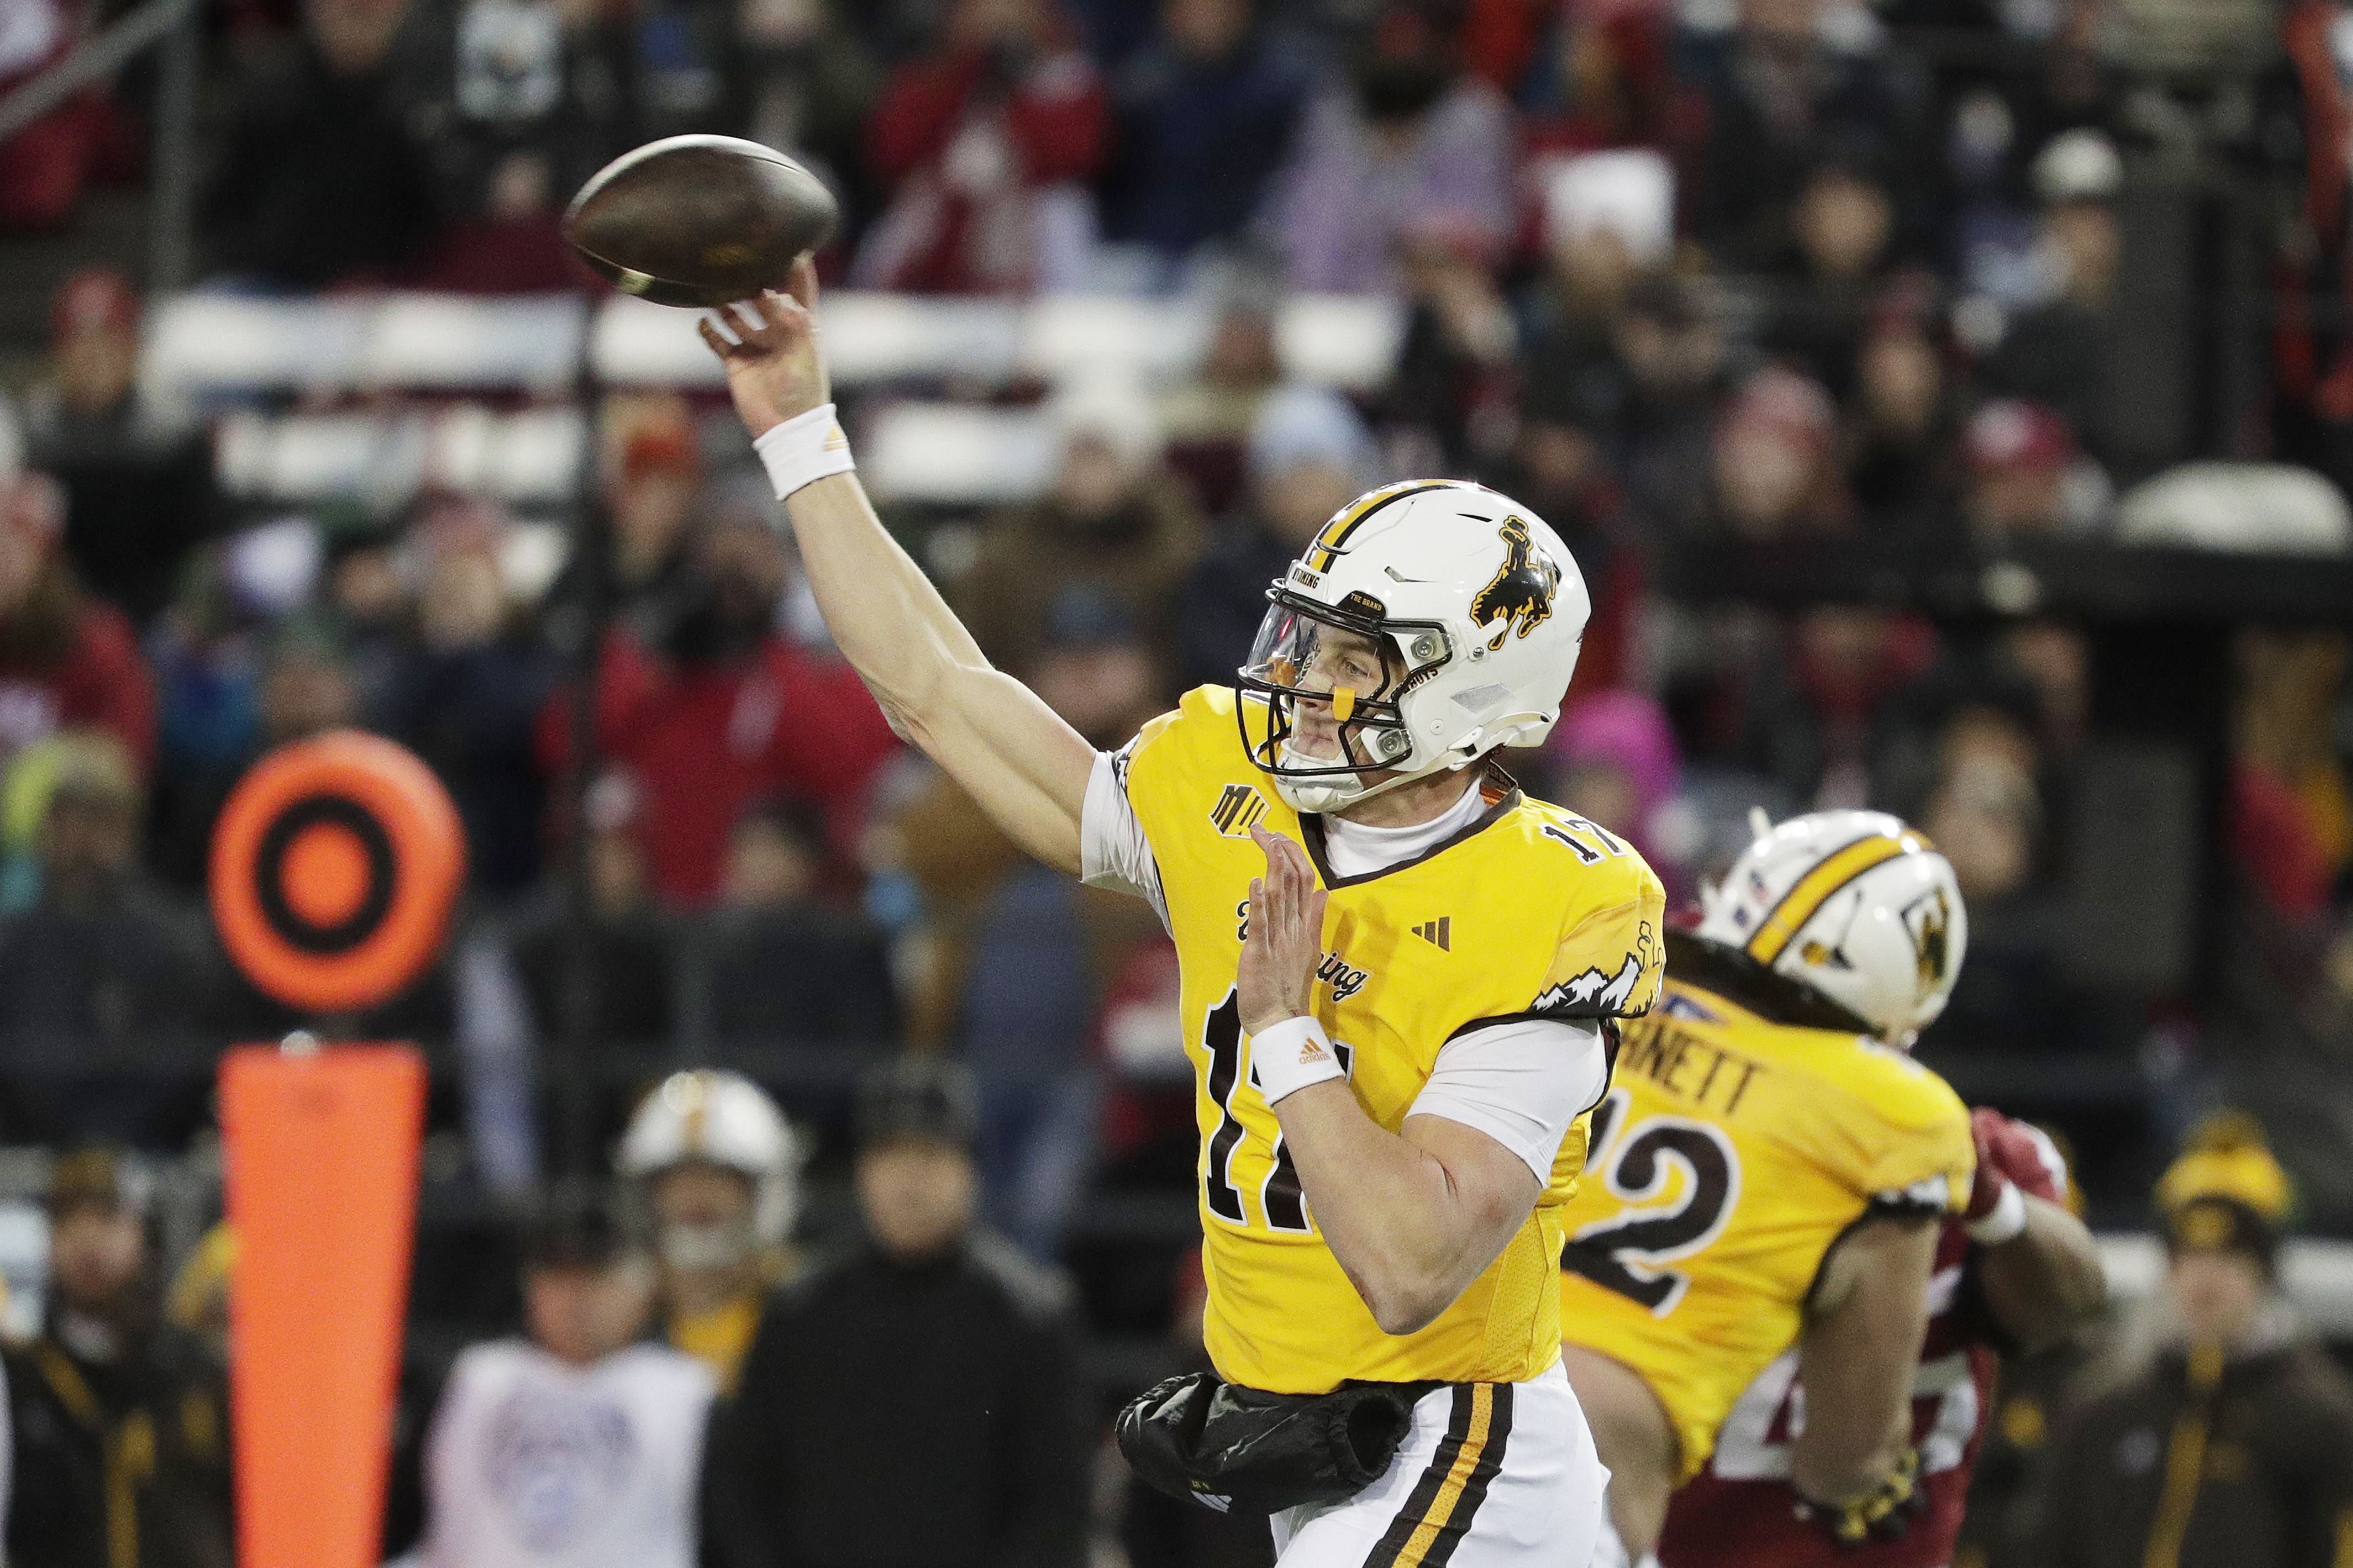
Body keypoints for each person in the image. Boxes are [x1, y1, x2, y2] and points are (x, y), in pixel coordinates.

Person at [704, 259, 1665, 1566]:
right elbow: (937, 689)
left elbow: (1409, 1262)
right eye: (1307, 642)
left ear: (1479, 696)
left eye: (1354, 659)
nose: (1303, 685)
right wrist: (798, 430)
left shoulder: (1564, 895)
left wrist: (1285, 1028)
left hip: (1456, 1439)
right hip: (1317, 1443)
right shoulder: (1229, 781)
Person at [1557, 810, 1979, 1567]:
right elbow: (1846, 1460)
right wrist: (1868, 1477)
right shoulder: (1892, 1115)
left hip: (1373, 1423)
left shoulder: (1595, 973)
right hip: (1569, 1499)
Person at [1654, 1100, 2105, 1568]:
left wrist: (1989, 1200)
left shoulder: (1977, 1149)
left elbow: (2069, 1303)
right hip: (1673, 1535)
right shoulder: (1686, 1118)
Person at [700, 1057, 1091, 1568]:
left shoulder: (1031, 1316)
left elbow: (1056, 1507)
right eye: (891, 1155)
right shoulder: (800, 1310)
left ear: (968, 1170)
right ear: (863, 1170)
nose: (910, 1180)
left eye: (930, 1154)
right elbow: (742, 1488)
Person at [2031, 1115, 2353, 1568]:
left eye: (2229, 1258)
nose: (2206, 1280)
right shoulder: (2103, 1410)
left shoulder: (2319, 1417)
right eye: (2189, 1258)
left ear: (2263, 1272)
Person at [421, 1190, 714, 1568]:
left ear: (649, 1281)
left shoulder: (687, 1395)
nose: (577, 1298)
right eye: (559, 1275)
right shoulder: (471, 1381)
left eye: (599, 1275)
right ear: (530, 1285)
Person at [4, 1147, 233, 1568]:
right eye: (68, 1220)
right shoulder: (22, 1381)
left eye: (108, 1216)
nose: (88, 1238)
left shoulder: (199, 1374)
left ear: (143, 1233)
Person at [19, 271, 219, 630]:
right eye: (80, 342)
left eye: (108, 341)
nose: (95, 356)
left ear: (133, 349)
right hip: (54, 626)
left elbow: (202, 544)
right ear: (58, 352)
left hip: (155, 618)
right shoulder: (29, 433)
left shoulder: (174, 436)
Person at [615, 1070, 802, 1393]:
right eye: (676, 1178)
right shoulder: (614, 1323)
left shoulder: (809, 1315)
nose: (695, 1197)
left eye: (719, 1177)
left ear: (763, 1194)